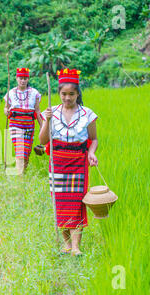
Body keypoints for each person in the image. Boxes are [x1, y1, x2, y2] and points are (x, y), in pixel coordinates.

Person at [39, 68, 98, 256]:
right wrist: (46, 120)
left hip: (78, 163)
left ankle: (76, 247)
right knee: (61, 203)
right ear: (58, 94)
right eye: (63, 94)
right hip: (58, 162)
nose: (67, 98)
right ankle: (66, 244)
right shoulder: (51, 112)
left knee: (77, 203)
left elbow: (94, 139)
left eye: (71, 94)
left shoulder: (87, 114)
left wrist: (91, 153)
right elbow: (42, 141)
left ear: (77, 94)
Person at [4, 67, 43, 175]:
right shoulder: (10, 92)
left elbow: (37, 110)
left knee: (26, 152)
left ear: (28, 79)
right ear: (17, 78)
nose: (23, 80)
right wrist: (6, 111)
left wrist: (42, 126)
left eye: (25, 78)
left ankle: (22, 173)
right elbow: (6, 107)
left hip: (29, 125)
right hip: (15, 124)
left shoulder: (34, 93)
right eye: (21, 78)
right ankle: (19, 177)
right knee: (20, 151)